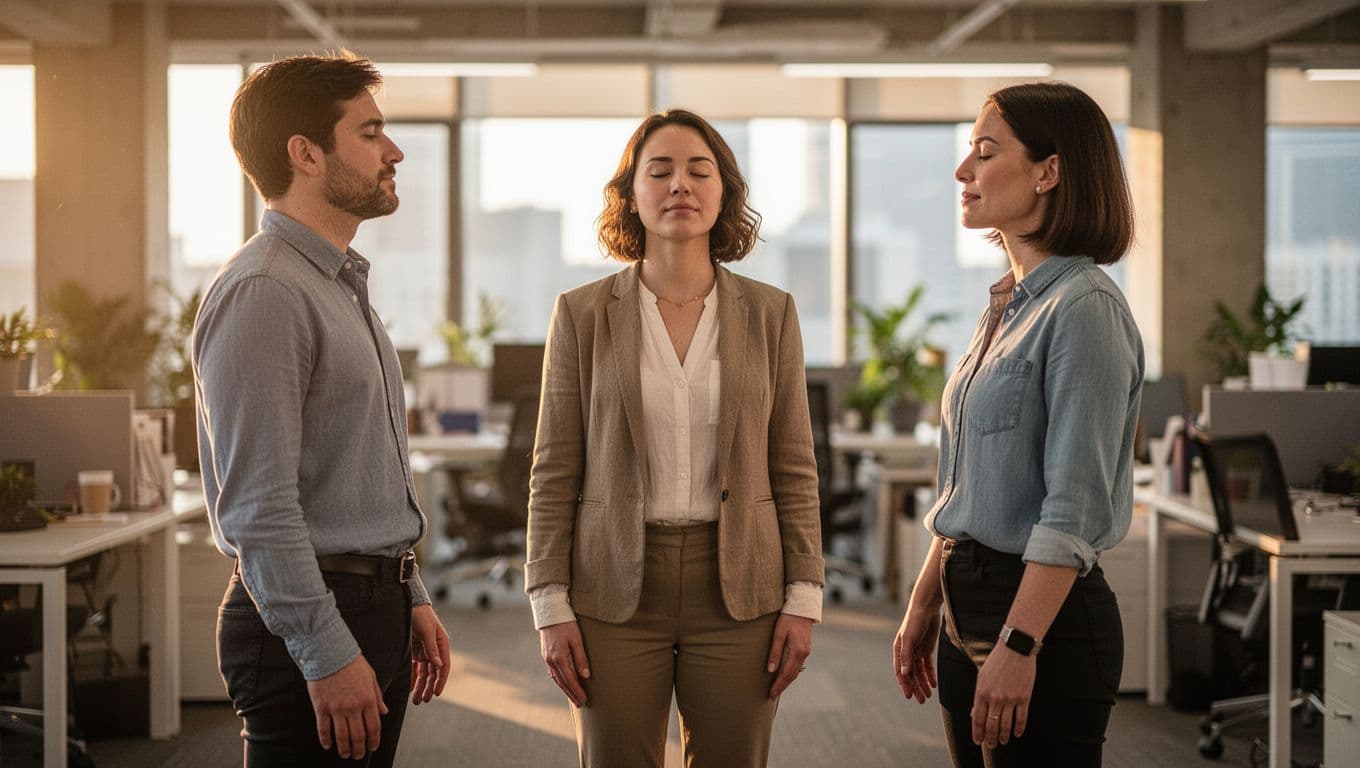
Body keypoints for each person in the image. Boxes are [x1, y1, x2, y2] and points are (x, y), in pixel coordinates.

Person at [525, 108, 824, 767]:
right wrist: (548, 601)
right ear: (632, 195)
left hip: (742, 584)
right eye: (658, 171)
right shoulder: (581, 314)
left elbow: (794, 465)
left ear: (725, 193)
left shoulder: (771, 314)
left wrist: (804, 595)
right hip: (611, 585)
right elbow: (554, 468)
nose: (679, 185)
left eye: (699, 170)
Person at [193, 52, 451, 767]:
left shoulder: (335, 283)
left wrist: (411, 590)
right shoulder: (266, 292)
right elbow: (259, 508)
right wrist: (326, 652)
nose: (393, 150)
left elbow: (354, 468)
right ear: (305, 154)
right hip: (311, 614)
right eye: (370, 132)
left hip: (368, 601)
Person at [892, 82, 1143, 767]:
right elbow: (967, 490)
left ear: (1049, 171)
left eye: (985, 151)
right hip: (963, 607)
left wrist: (1019, 644)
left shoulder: (1083, 308)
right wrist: (925, 603)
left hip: (1041, 624)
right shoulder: (1006, 307)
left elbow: (1072, 507)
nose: (962, 171)